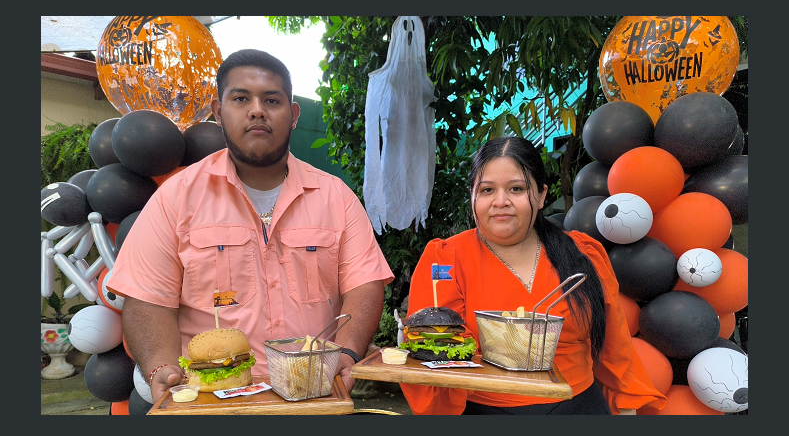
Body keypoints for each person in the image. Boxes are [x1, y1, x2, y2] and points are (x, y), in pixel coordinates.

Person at [107, 49, 394, 404]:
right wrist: (161, 369)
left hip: (313, 395)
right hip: (211, 402)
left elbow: (364, 286)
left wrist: (348, 354)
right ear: (218, 112)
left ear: (292, 115)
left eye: (271, 99)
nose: (257, 109)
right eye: (241, 98)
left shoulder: (336, 197)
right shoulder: (176, 199)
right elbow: (147, 300)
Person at [399, 137, 667, 415]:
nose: (500, 202)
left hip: (579, 406)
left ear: (540, 195)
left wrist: (627, 408)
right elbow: (434, 352)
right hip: (484, 409)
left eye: (516, 188)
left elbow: (615, 347)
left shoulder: (583, 254)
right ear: (472, 196)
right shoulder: (445, 259)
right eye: (487, 190)